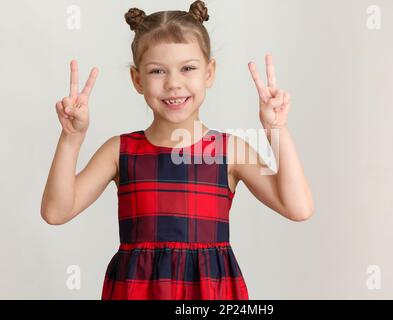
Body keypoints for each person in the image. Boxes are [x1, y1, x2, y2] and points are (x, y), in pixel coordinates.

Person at [40, 0, 314, 300]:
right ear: (137, 80)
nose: (173, 84)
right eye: (158, 71)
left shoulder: (229, 150)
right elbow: (56, 212)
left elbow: (297, 207)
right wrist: (71, 138)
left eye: (187, 69)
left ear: (209, 73)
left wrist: (276, 129)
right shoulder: (120, 151)